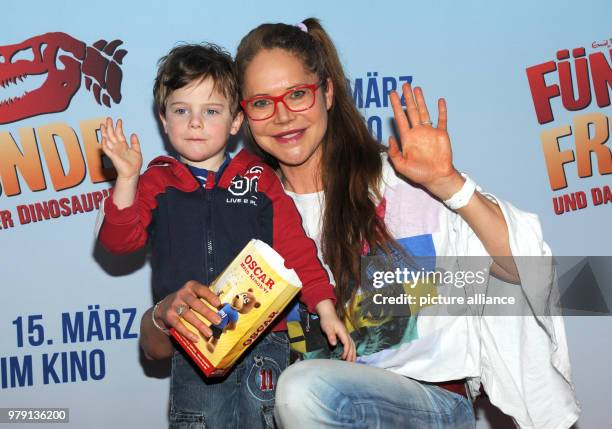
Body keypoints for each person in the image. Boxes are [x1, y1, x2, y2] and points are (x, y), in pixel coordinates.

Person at [231, 18, 580, 429]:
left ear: (326, 92)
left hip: (431, 408)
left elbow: (524, 269)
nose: (282, 116)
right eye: (261, 103)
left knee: (303, 390)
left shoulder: (401, 180)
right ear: (243, 116)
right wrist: (164, 314)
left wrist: (449, 184)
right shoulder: (246, 212)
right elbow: (179, 347)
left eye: (297, 95)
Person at [96, 43, 355, 429]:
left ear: (236, 121)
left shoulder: (259, 179)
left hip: (265, 339)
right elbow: (120, 242)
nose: (195, 123)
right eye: (181, 111)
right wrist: (127, 181)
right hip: (195, 338)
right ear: (163, 121)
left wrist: (325, 306)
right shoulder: (156, 182)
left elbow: (296, 250)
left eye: (211, 111)